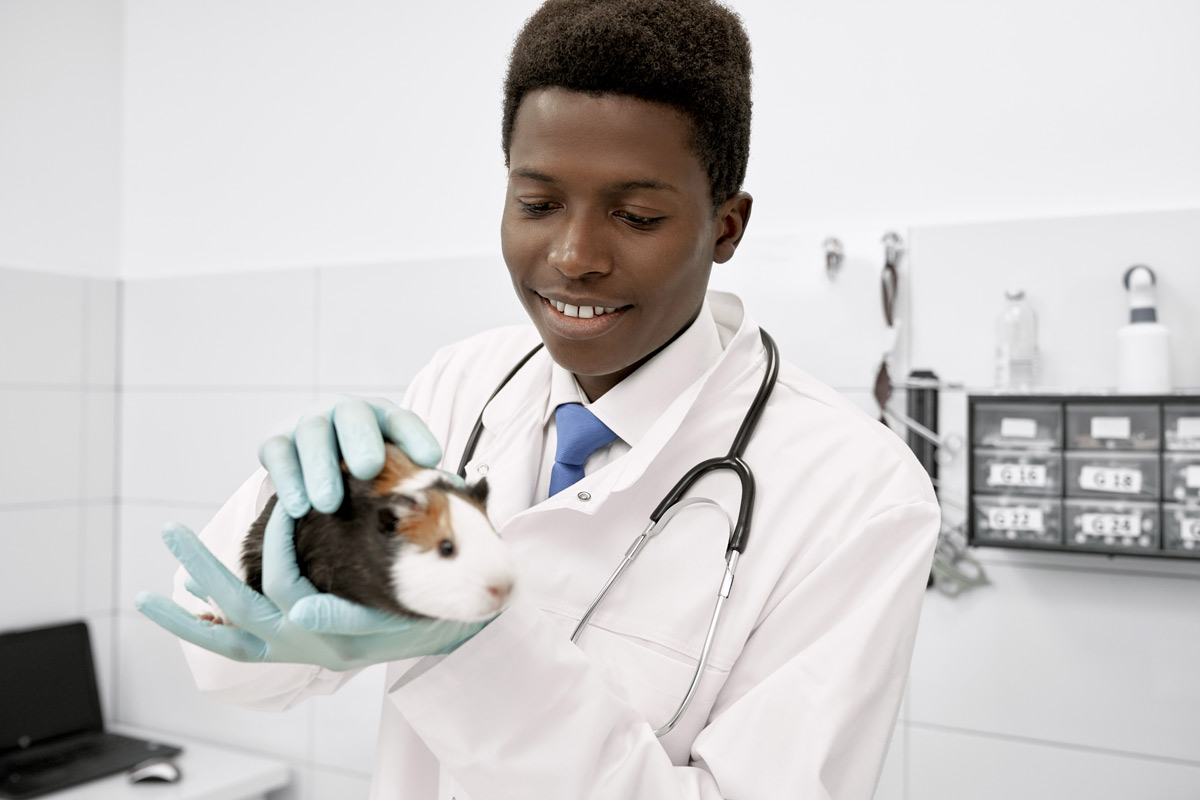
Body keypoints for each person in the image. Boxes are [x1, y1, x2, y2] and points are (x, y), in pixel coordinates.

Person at [137, 0, 940, 797]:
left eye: (636, 215)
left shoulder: (857, 494)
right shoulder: (459, 389)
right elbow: (229, 663)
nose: (572, 256)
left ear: (726, 226)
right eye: (537, 204)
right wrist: (287, 519)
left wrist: (473, 650)